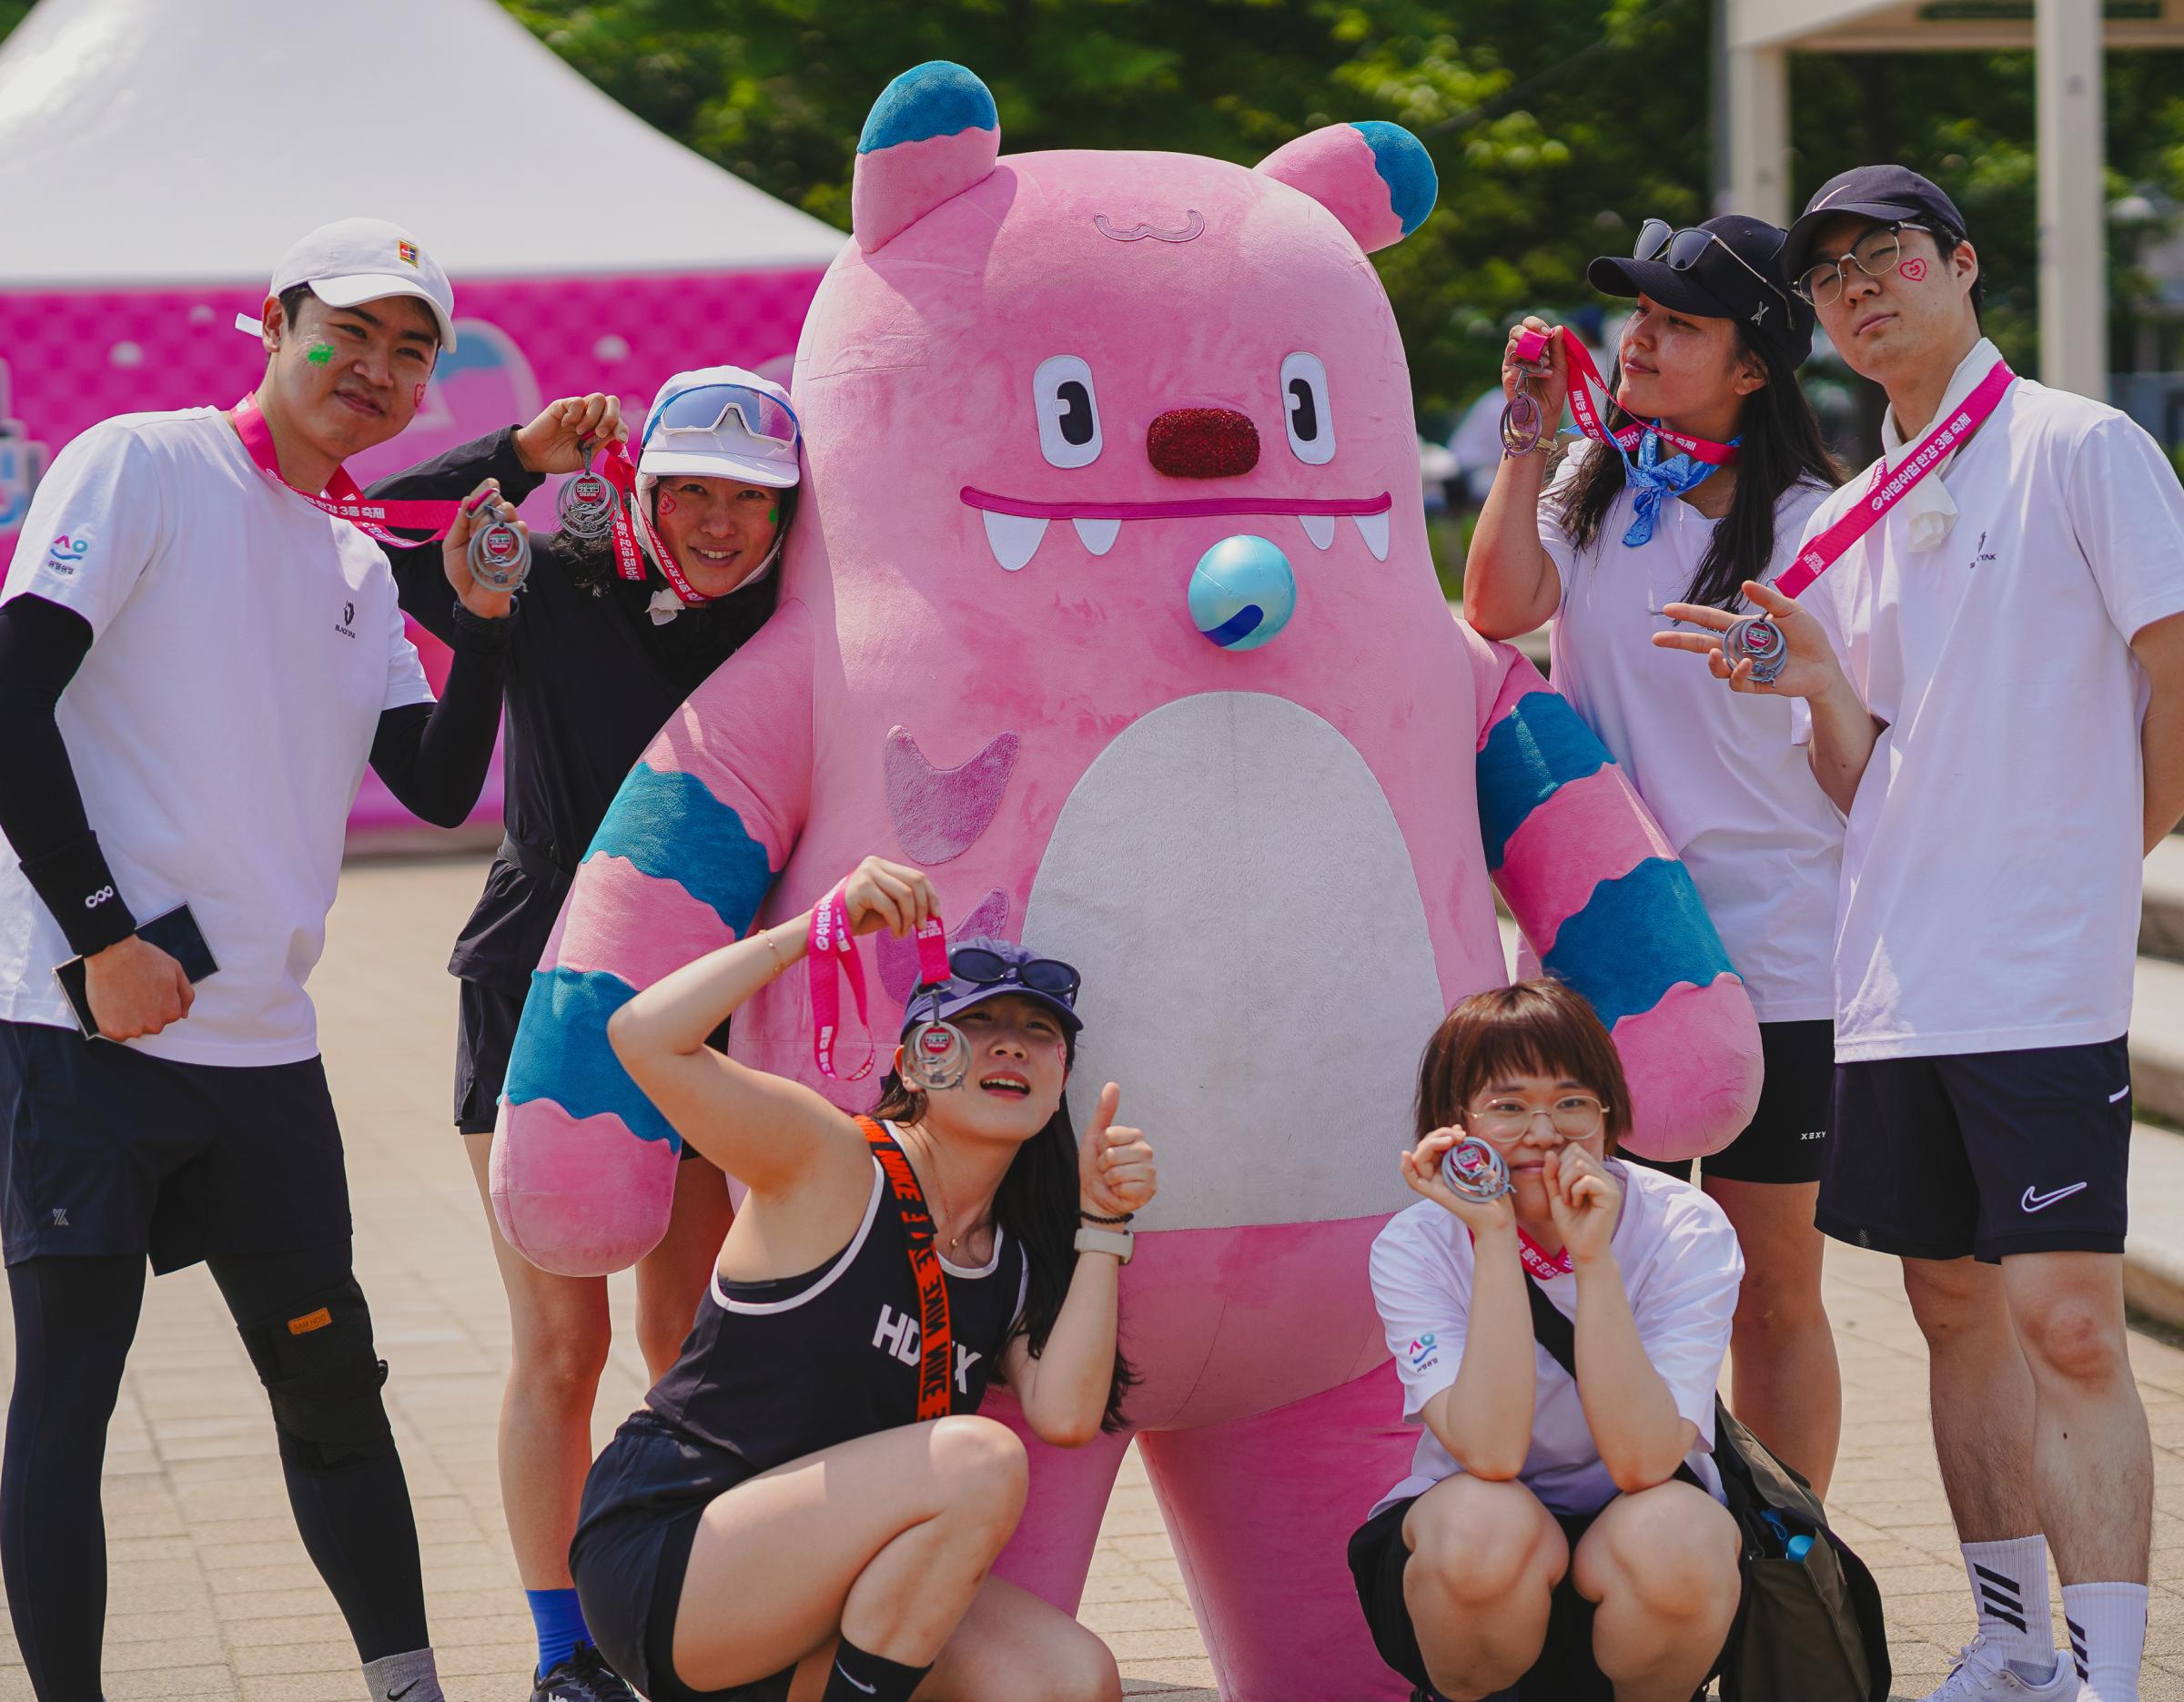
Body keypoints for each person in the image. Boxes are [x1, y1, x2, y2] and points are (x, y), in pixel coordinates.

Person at [1655, 165, 2184, 1702]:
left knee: (2071, 1322)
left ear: (1960, 265)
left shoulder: (2080, 446)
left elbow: (2176, 663)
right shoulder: (1866, 510)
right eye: (1831, 279)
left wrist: (2113, 849)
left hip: (2039, 969)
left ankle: (2107, 1667)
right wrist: (1814, 686)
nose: (1862, 290)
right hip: (1888, 974)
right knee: (1950, 1307)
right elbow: (1863, 772)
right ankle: (2011, 1642)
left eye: (1888, 256)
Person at [0, 218, 518, 1702]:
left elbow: (428, 782)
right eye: (350, 330)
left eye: (412, 349)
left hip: (262, 1051)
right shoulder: (142, 462)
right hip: (85, 1031)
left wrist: (481, 633)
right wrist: (100, 939)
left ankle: (408, 1684)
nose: (377, 368)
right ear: (279, 320)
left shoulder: (351, 551)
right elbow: (11, 698)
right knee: (71, 1403)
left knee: (332, 1391)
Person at [364, 366, 799, 1702]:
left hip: (715, 1013)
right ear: (646, 488)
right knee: (564, 1348)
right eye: (694, 492)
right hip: (533, 991)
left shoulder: (795, 618)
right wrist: (515, 450)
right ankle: (565, 1654)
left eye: (751, 499)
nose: (721, 523)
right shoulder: (555, 574)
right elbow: (371, 530)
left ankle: (694, 1614)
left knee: (695, 1344)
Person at [568, 856, 1152, 1702]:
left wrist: (1102, 1227)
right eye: (977, 1023)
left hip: (824, 1588)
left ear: (1060, 1077)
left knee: (1068, 1677)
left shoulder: (1011, 1259)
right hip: (674, 1553)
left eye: (1038, 1034)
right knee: (978, 1458)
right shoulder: (833, 1159)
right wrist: (814, 930)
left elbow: (1065, 1415)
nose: (1010, 1047)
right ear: (915, 1063)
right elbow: (643, 1037)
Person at [1463, 213, 1846, 1497]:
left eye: (1681, 322)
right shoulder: (1596, 483)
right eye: (1641, 314)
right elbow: (1500, 610)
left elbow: (1866, 723)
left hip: (1780, 956)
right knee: (1591, 1260)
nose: (1642, 338)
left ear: (1755, 366)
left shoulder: (1819, 525)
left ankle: (1790, 1566)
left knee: (1773, 1286)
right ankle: (1624, 1536)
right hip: (1606, 954)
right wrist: (1529, 442)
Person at [1352, 979, 1744, 1702]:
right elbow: (1492, 1455)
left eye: (1571, 1102)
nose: (1543, 1132)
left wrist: (1593, 1259)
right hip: (1478, 1549)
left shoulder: (1683, 1227)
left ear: (1608, 1113)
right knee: (1480, 1531)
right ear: (1452, 1122)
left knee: (1680, 1542)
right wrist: (1494, 1237)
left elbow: (1645, 1461)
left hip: (1637, 1528)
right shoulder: (1415, 1244)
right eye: (1507, 1107)